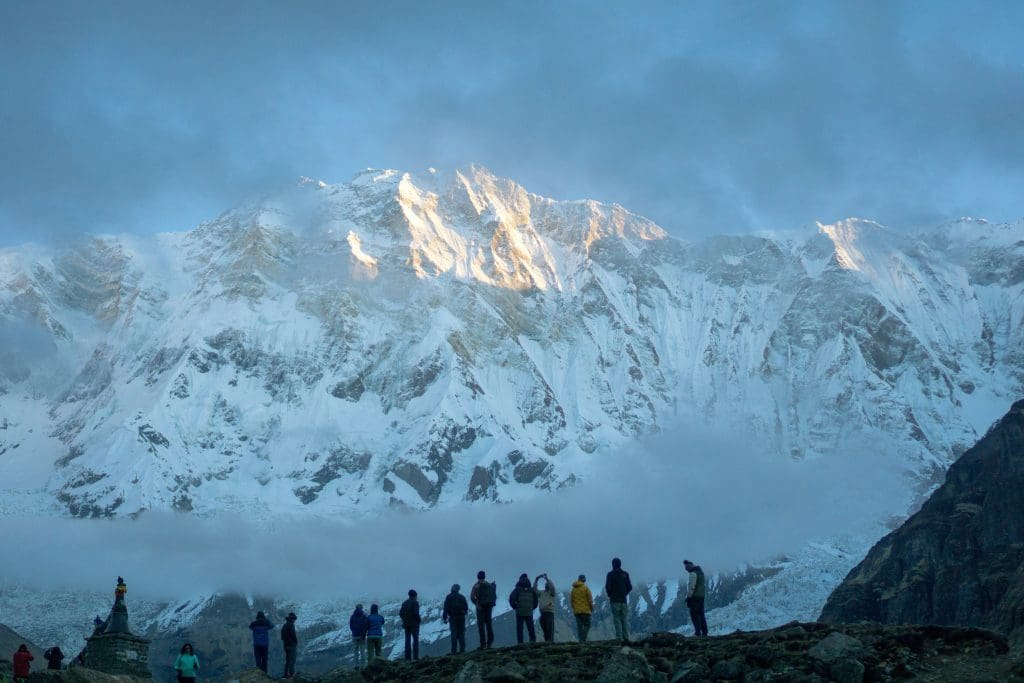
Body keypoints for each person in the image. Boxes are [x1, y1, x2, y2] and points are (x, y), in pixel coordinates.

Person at [605, 557, 633, 643]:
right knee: (624, 619)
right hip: (623, 600)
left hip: (614, 600)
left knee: (616, 619)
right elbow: (630, 587)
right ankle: (626, 637)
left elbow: (608, 587)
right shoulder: (625, 574)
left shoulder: (610, 574)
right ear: (620, 564)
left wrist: (611, 595)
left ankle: (619, 638)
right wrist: (624, 594)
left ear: (613, 564)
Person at [469, 570, 496, 650]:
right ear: (484, 577)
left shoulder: (476, 586)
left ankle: (483, 644)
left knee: (481, 626)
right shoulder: (489, 585)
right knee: (489, 625)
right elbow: (494, 596)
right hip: (489, 608)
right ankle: (490, 643)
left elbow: (472, 597)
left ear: (478, 577)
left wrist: (477, 603)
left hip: (480, 608)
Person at [509, 573, 538, 644]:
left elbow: (511, 598)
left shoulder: (517, 589)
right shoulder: (531, 590)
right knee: (530, 627)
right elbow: (536, 600)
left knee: (520, 628)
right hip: (529, 611)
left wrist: (515, 607)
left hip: (520, 611)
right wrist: (532, 607)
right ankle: (533, 641)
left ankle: (520, 643)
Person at [683, 559, 708, 637]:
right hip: (701, 596)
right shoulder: (701, 573)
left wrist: (688, 597)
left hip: (695, 597)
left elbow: (691, 587)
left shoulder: (693, 574)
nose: (687, 570)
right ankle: (704, 632)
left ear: (690, 566)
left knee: (694, 614)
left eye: (687, 568)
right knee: (701, 614)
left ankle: (697, 633)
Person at [442, 584, 469, 654]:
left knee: (453, 634)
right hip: (461, 618)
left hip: (453, 618)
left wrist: (444, 618)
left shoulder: (448, 597)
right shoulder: (462, 597)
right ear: (458, 589)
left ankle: (454, 651)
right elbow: (466, 608)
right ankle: (462, 650)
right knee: (461, 634)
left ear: (452, 588)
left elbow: (445, 608)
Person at [570, 574, 595, 642]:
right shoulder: (586, 588)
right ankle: (583, 639)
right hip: (585, 611)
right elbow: (590, 600)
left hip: (577, 612)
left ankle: (581, 640)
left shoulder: (573, 590)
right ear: (584, 580)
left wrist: (574, 608)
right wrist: (591, 608)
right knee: (587, 624)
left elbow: (572, 601)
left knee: (579, 627)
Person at [399, 590, 421, 661]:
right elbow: (415, 613)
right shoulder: (415, 603)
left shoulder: (404, 603)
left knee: (407, 641)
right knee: (415, 640)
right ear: (414, 596)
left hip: (406, 624)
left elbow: (400, 613)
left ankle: (407, 658)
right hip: (414, 624)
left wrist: (404, 619)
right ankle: (415, 657)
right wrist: (418, 620)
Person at [533, 574, 556, 642]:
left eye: (548, 584)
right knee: (545, 628)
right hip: (542, 613)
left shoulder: (552, 593)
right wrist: (536, 580)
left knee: (549, 628)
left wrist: (547, 579)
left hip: (549, 612)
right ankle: (547, 642)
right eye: (546, 584)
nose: (547, 585)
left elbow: (553, 587)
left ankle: (550, 642)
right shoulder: (542, 592)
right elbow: (535, 590)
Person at [348, 604, 369, 668]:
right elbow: (366, 626)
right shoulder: (364, 616)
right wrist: (364, 634)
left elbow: (351, 626)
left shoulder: (352, 616)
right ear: (361, 608)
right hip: (362, 636)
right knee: (362, 651)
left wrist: (354, 632)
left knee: (355, 651)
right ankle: (363, 666)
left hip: (355, 636)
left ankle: (356, 665)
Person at [281, 612, 298, 678]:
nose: (295, 621)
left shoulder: (284, 625)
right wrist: (296, 641)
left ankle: (285, 674)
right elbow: (293, 635)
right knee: (292, 660)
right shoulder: (291, 625)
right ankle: (291, 674)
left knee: (288, 660)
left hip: (286, 645)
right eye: (294, 619)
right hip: (292, 645)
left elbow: (282, 637)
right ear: (292, 618)